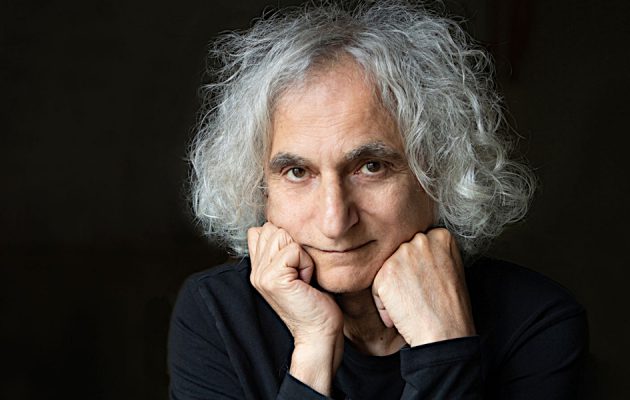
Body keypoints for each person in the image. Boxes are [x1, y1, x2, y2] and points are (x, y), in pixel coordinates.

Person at [168, 1, 588, 399]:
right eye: (297, 172)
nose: (335, 220)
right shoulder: (216, 316)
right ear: (261, 189)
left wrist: (443, 347)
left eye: (370, 167)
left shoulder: (536, 323)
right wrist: (313, 350)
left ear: (438, 173)